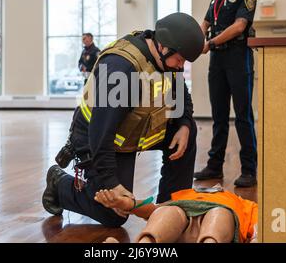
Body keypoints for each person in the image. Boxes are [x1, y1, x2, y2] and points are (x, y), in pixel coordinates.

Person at [42, 13, 205, 227]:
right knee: (114, 214)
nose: (180, 66)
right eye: (180, 59)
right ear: (164, 47)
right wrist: (111, 183)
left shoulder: (165, 60)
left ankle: (170, 208)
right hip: (96, 139)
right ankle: (59, 184)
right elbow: (100, 135)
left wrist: (184, 124)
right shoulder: (122, 68)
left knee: (188, 129)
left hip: (131, 133)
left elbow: (180, 92)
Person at [194, 0, 258, 187]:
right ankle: (214, 166)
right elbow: (206, 21)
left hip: (238, 58)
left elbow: (240, 26)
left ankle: (249, 169)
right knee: (218, 116)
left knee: (243, 116)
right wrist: (199, 38)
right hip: (217, 61)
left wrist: (210, 42)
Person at [94, 184, 258, 243]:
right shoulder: (185, 194)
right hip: (180, 225)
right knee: (169, 211)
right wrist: (128, 204)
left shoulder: (242, 203)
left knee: (220, 214)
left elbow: (259, 230)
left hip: (218, 226)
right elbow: (153, 210)